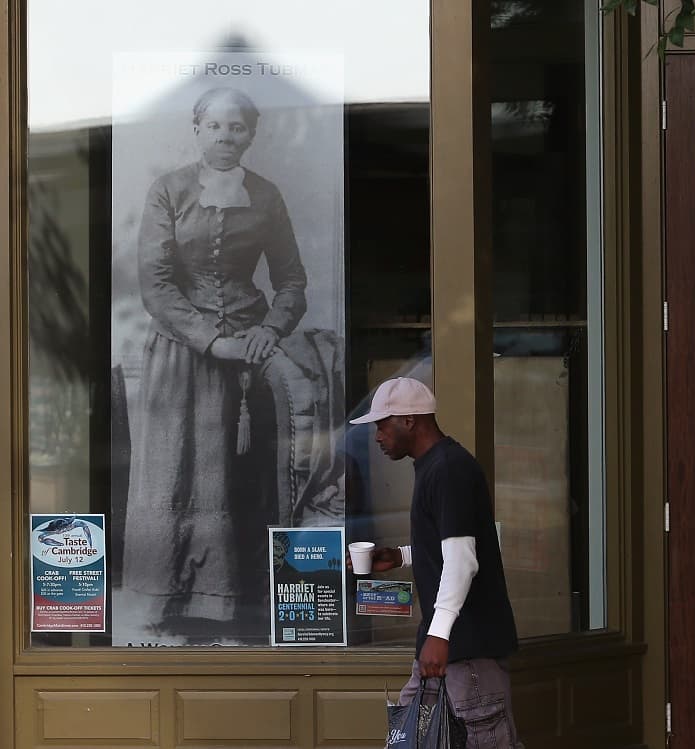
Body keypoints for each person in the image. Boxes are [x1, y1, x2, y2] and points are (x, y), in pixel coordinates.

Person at [122, 86, 307, 641]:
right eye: (217, 126)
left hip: (249, 352)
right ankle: (169, 603)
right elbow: (155, 285)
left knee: (242, 478)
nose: (228, 137)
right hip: (181, 350)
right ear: (198, 128)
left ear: (252, 134)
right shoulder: (169, 190)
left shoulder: (267, 196)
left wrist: (268, 330)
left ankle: (238, 607)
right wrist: (211, 340)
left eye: (239, 128)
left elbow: (292, 279)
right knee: (176, 471)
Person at [349, 377, 524, 748]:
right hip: (444, 650)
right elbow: (451, 545)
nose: (377, 436)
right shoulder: (435, 466)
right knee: (406, 739)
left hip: (467, 652)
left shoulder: (449, 469)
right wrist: (400, 555)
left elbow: (462, 560)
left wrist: (439, 634)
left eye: (382, 424)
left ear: (409, 420)